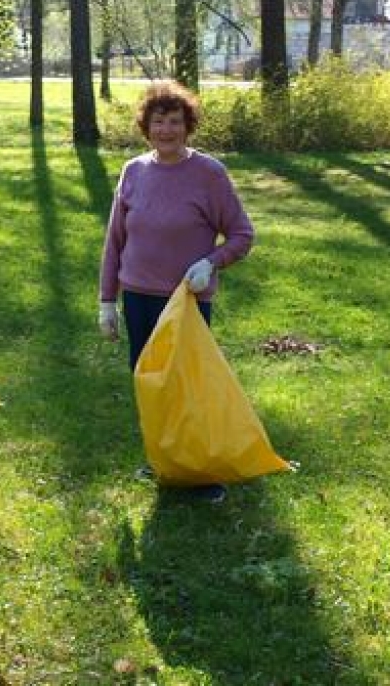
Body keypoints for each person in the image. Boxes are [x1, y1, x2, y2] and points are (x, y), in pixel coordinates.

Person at [97, 80, 255, 501]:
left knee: (187, 386)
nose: (166, 130)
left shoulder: (209, 175)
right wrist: (107, 301)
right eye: (158, 122)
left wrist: (211, 262)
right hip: (138, 297)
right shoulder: (133, 172)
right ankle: (164, 460)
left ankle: (201, 473)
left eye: (175, 122)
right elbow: (115, 240)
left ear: (188, 126)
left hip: (185, 301)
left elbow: (241, 234)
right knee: (149, 383)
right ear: (146, 127)